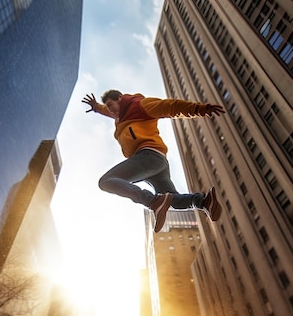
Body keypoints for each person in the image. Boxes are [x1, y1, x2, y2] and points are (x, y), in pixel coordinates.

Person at [82, 90, 225, 232]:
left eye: (111, 105)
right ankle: (204, 202)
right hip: (156, 165)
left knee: (107, 181)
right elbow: (107, 110)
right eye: (108, 107)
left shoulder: (139, 105)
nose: (110, 110)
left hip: (149, 156)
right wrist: (96, 107)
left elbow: (169, 106)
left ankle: (152, 201)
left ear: (120, 98)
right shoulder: (120, 116)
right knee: (173, 200)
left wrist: (199, 109)